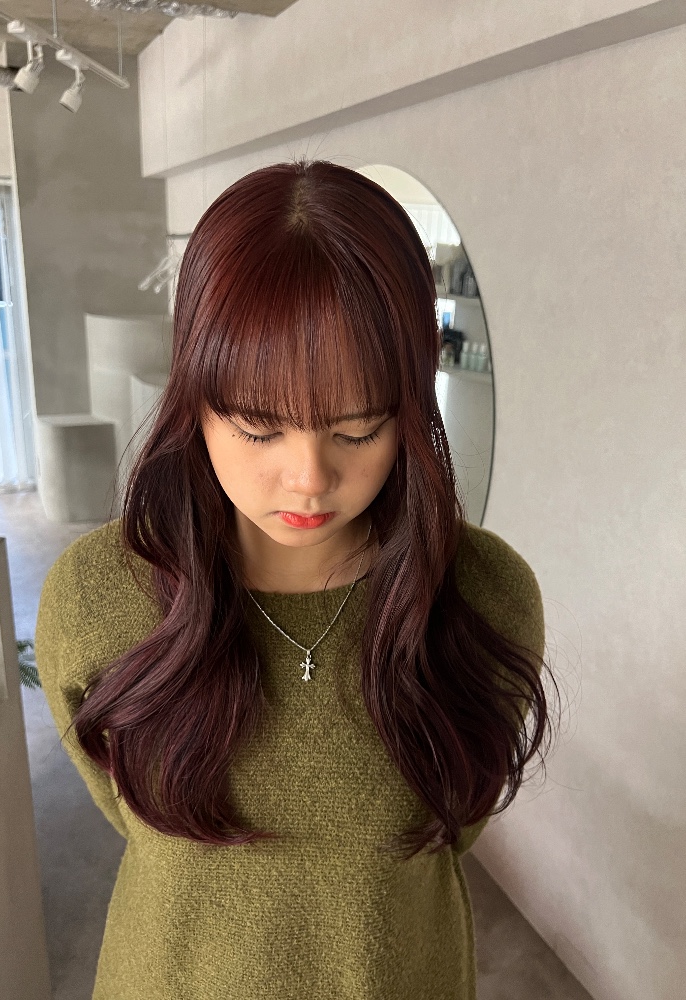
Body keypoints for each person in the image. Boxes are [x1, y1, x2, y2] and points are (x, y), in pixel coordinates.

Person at [34, 157, 557, 1000]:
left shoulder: (484, 599)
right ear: (194, 401)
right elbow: (128, 814)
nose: (309, 479)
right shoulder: (98, 598)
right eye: (258, 428)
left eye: (358, 429)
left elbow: (452, 828)